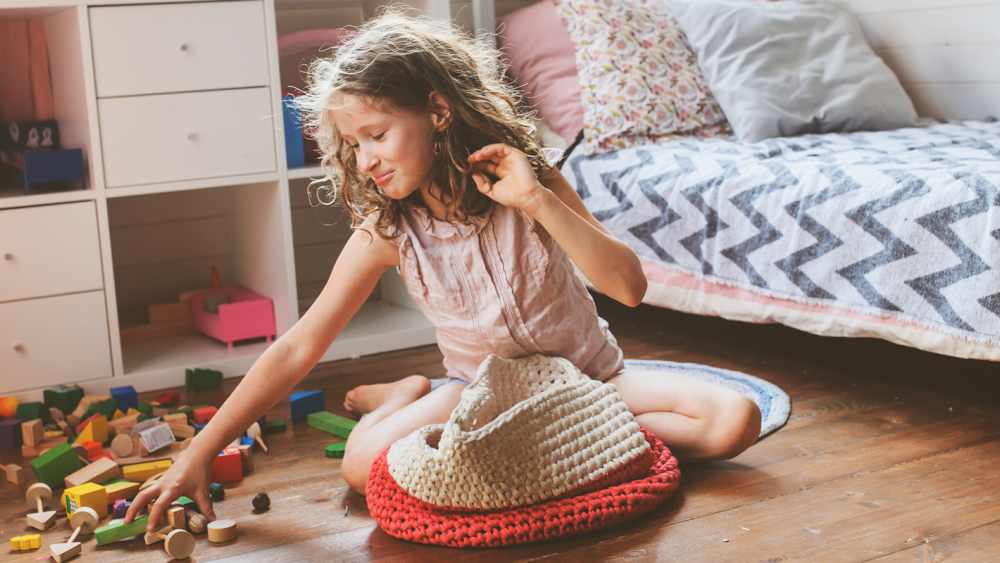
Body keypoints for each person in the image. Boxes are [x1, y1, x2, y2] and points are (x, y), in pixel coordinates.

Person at [126, 9, 761, 532]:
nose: (366, 158)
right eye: (353, 145)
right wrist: (199, 452)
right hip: (473, 396)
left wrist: (535, 200)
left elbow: (628, 286)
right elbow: (298, 346)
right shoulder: (389, 232)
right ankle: (409, 395)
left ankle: (557, 440)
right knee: (360, 467)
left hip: (588, 381)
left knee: (735, 419)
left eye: (376, 133)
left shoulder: (528, 177)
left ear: (437, 110)